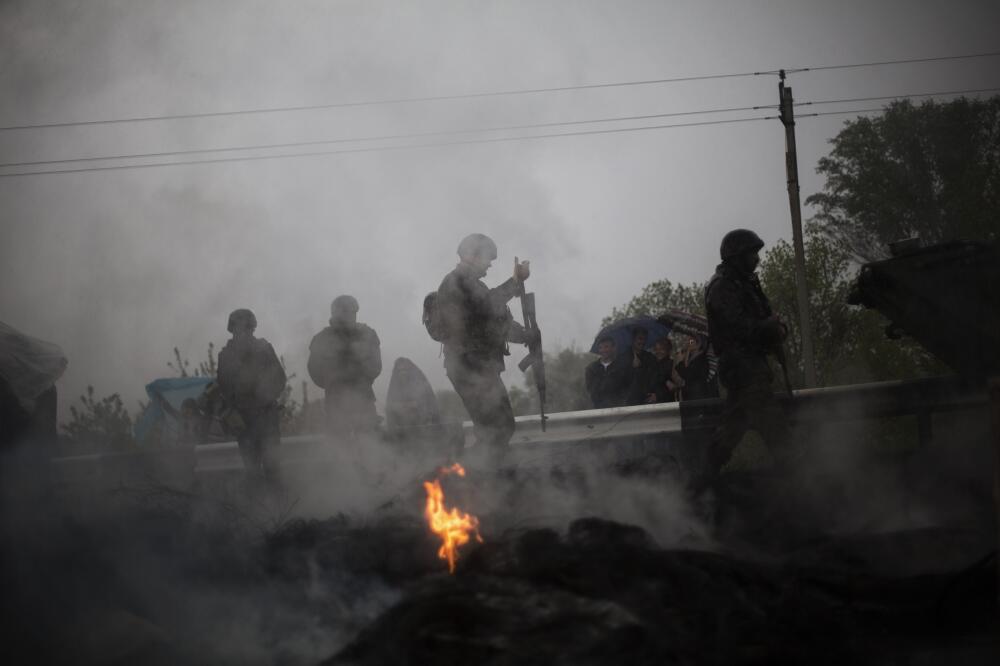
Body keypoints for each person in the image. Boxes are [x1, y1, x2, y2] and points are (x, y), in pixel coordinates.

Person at [435, 233, 534, 466]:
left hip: (478, 367)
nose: (490, 264)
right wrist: (516, 281)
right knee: (496, 429)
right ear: (471, 255)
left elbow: (493, 324)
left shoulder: (471, 284)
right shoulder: (457, 281)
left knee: (500, 428)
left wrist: (527, 336)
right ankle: (474, 475)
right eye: (488, 258)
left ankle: (485, 477)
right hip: (470, 367)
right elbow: (489, 305)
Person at [702, 229, 790, 486]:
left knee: (732, 428)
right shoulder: (722, 288)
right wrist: (768, 326)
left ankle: (701, 483)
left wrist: (773, 327)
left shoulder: (742, 284)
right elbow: (739, 327)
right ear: (737, 256)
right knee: (777, 431)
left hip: (751, 365)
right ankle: (799, 482)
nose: (756, 259)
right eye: (752, 253)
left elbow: (758, 321)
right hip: (742, 368)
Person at [216, 308, 287, 481]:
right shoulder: (226, 356)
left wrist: (263, 396)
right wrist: (234, 408)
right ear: (232, 329)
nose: (243, 332)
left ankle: (278, 506)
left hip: (266, 417)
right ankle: (255, 506)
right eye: (238, 328)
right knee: (252, 471)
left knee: (273, 469)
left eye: (247, 328)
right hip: (243, 420)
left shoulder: (264, 349)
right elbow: (223, 387)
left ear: (252, 328)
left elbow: (279, 379)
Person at [308, 295, 383, 442]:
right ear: (336, 313)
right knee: (340, 449)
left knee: (369, 446)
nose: (351, 316)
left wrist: (360, 380)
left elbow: (376, 366)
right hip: (335, 403)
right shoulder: (321, 339)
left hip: (364, 400)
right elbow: (314, 371)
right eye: (346, 312)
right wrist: (334, 382)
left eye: (353, 312)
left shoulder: (368, 334)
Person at [585, 336, 630, 408]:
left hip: (618, 409)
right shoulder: (591, 369)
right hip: (597, 410)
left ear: (613, 348)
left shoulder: (622, 368)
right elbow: (591, 391)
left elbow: (626, 390)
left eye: (606, 347)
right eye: (600, 347)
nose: (603, 350)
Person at [675, 336, 720, 401]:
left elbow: (688, 374)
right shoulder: (694, 358)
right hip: (692, 396)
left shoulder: (702, 360)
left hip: (699, 396)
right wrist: (687, 352)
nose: (688, 343)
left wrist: (680, 363)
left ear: (699, 344)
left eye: (691, 341)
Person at [624, 327, 658, 406]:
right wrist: (632, 368)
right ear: (633, 339)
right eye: (639, 338)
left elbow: (655, 378)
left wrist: (656, 394)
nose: (642, 341)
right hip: (628, 402)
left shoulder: (650, 357)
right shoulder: (623, 357)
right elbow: (620, 381)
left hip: (647, 401)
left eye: (644, 339)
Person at [647, 338, 685, 403]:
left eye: (662, 349)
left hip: (666, 404)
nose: (658, 352)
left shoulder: (672, 364)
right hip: (650, 403)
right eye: (656, 349)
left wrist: (658, 396)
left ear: (668, 350)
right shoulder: (652, 364)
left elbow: (676, 387)